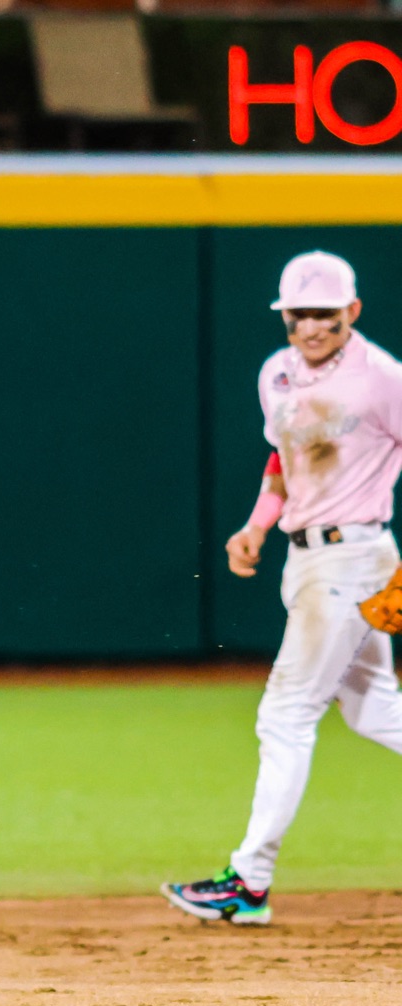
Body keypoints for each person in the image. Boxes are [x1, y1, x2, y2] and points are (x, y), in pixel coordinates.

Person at [162, 251, 402, 927]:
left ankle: (248, 881)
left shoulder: (383, 379)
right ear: (285, 315)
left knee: (286, 714)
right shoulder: (278, 372)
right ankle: (249, 883)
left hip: (353, 559)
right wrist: (258, 523)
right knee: (375, 711)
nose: (312, 325)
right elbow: (284, 455)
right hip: (309, 558)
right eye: (299, 313)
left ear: (351, 312)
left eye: (326, 313)